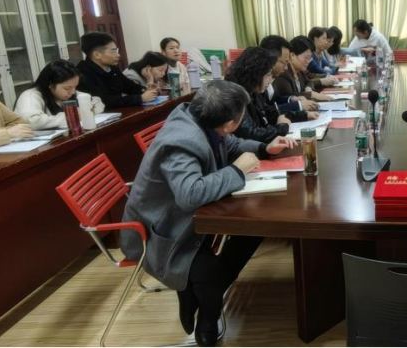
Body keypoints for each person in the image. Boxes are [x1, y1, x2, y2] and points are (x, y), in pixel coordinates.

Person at [119, 81, 296, 345]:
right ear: (229, 123)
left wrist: (263, 148)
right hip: (161, 230)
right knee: (210, 275)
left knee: (253, 231)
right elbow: (189, 194)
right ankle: (207, 315)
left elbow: (232, 144)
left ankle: (194, 295)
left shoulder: (203, 120)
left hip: (190, 217)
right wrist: (236, 171)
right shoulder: (181, 142)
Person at [14, 60, 105, 130]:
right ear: (50, 85)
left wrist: (86, 111)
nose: (73, 92)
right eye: (67, 88)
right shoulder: (30, 96)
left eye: (75, 87)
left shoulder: (69, 92)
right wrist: (71, 116)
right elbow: (33, 122)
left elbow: (97, 102)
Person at [226, 47, 291, 143]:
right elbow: (251, 134)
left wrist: (303, 115)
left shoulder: (252, 90)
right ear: (256, 73)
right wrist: (281, 127)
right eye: (268, 74)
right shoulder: (235, 95)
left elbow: (268, 112)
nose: (270, 79)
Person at [77, 32, 157, 108]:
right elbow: (103, 100)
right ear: (97, 54)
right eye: (113, 51)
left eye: (117, 51)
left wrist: (145, 90)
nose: (118, 55)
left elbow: (129, 86)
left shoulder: (112, 68)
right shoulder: (83, 73)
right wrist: (139, 98)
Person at [259, 35, 320, 121]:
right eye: (284, 62)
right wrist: (298, 105)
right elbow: (267, 111)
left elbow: (274, 100)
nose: (286, 68)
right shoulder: (261, 81)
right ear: (272, 58)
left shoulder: (273, 75)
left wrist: (291, 99)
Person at [273, 37, 335, 102]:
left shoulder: (300, 71)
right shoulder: (283, 72)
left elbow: (309, 82)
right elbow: (289, 95)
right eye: (306, 58)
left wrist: (308, 88)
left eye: (310, 58)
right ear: (292, 55)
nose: (308, 61)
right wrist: (311, 95)